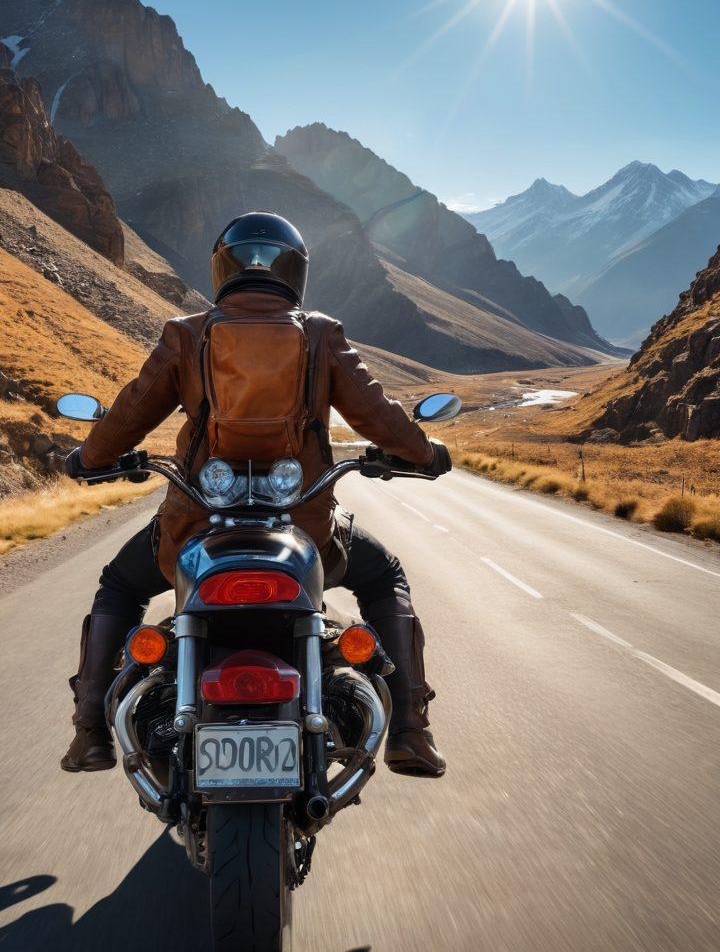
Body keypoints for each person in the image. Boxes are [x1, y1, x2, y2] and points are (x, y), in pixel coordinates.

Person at [61, 212, 452, 777]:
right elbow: (377, 414)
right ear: (297, 272)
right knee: (384, 574)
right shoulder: (321, 333)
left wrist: (90, 458)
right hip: (307, 529)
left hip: (194, 526)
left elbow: (129, 413)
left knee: (119, 585)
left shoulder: (186, 334)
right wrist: (423, 453)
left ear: (222, 268)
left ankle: (91, 732)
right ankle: (412, 731)